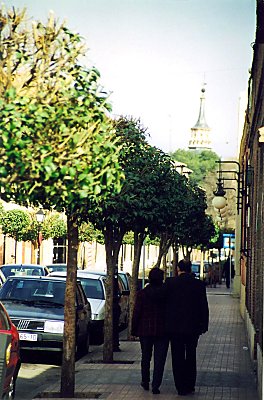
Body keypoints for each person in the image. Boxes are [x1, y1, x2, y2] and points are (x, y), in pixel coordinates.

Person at [161, 259, 209, 396]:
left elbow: (164, 303)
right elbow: (203, 307)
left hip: (174, 327)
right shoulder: (199, 285)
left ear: (178, 269)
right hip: (193, 327)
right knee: (191, 355)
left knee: (177, 356)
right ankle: (190, 383)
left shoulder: (170, 283)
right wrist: (204, 325)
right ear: (190, 269)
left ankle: (180, 386)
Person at [131, 267, 169, 395]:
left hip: (145, 330)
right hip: (162, 330)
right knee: (160, 359)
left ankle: (145, 380)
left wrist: (134, 329)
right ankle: (156, 385)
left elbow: (137, 312)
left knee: (146, 356)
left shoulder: (142, 294)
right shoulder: (166, 293)